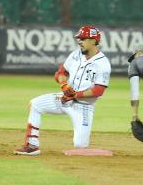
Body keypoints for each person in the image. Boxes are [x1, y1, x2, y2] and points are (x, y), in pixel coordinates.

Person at [14, 25, 111, 155]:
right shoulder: (76, 54)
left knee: (80, 146)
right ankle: (32, 146)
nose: (80, 41)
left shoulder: (103, 63)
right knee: (35, 104)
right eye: (79, 38)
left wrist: (75, 95)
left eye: (83, 38)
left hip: (84, 107)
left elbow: (98, 90)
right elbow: (61, 72)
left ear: (94, 41)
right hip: (64, 98)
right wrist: (64, 85)